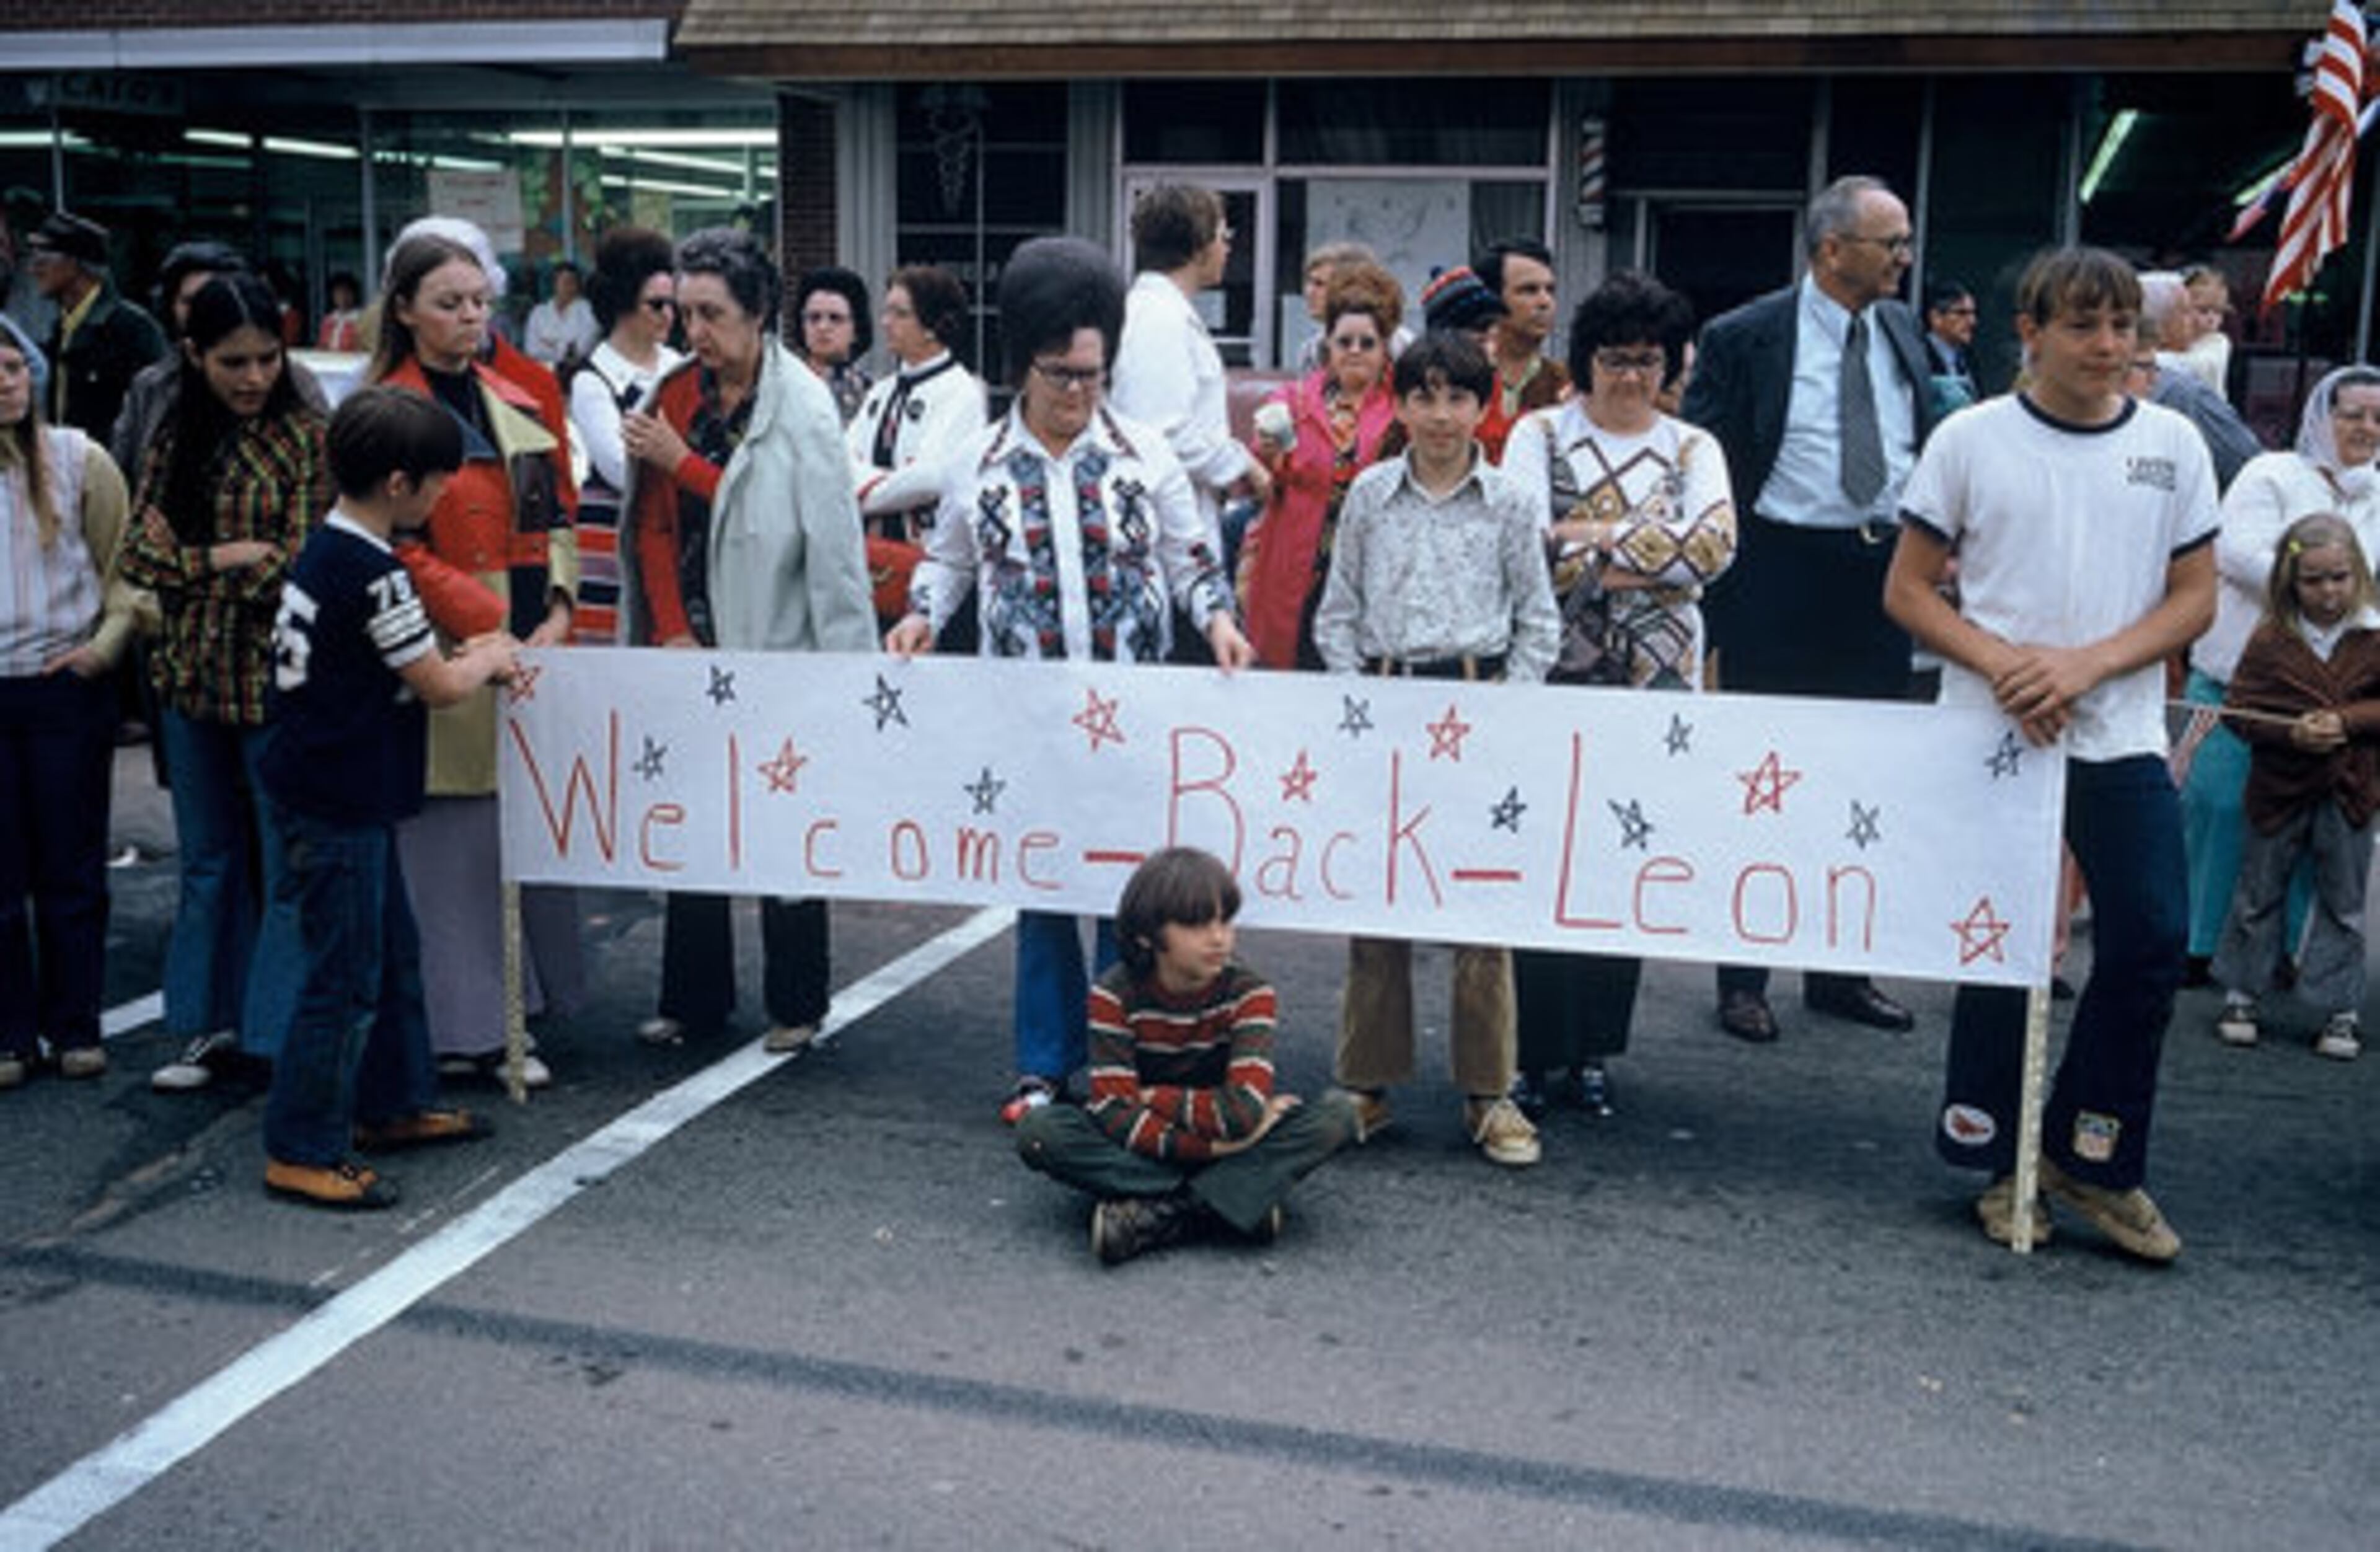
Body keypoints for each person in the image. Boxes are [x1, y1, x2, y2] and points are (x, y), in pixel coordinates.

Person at [1885, 246, 2216, 1263]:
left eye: (2125, 327)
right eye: (2084, 326)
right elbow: (1907, 590)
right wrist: (2008, 667)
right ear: (2029, 332)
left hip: (2114, 732)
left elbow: (2193, 598)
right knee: (2005, 946)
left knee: (2151, 938)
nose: (2110, 346)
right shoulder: (1970, 439)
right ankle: (1997, 1160)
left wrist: (2085, 666)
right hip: (1995, 734)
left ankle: (2091, 1153)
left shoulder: (2174, 441)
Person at [886, 235, 1253, 1124]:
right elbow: (950, 562)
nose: (1079, 393)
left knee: (1128, 900)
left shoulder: (1146, 455)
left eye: (1094, 373)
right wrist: (921, 613)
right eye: (1062, 375)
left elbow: (1189, 556)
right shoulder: (978, 462)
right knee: (1045, 892)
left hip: (1132, 711)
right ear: (1024, 367)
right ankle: (1042, 1070)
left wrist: (1217, 618)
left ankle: (1117, 1065)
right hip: (1029, 720)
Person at [1685, 174, 1937, 1044]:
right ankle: (1742, 976)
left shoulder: (1905, 330)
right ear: (1834, 251)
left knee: (1860, 783)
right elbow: (1710, 466)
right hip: (1779, 572)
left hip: (1880, 575)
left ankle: (1840, 973)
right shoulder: (1744, 336)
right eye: (1891, 242)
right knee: (1766, 782)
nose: (1906, 257)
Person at [258, 387, 519, 1209]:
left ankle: (393, 1102)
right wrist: (489, 657)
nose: (445, 497)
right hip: (341, 797)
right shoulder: (378, 573)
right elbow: (440, 686)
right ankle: (302, 1145)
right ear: (401, 484)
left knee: (390, 953)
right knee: (344, 977)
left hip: (325, 784)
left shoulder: (325, 551)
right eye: (440, 483)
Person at [1311, 329, 1560, 1168]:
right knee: (1378, 900)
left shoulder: (1514, 505)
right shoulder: (1371, 496)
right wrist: (1359, 697)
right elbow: (1336, 612)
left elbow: (1539, 623)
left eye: (1459, 397)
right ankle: (1365, 1084)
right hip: (1385, 708)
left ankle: (1490, 1093)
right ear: (1403, 402)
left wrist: (1505, 709)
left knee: (1480, 907)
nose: (1441, 414)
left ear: (1484, 406)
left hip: (1479, 709)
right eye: (1425, 396)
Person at [624, 226, 875, 1055]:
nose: (695, 332)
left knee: (782, 816)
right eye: (684, 312)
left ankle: (798, 1002)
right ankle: (693, 1001)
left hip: (779, 642)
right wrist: (668, 630)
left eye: (712, 314)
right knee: (695, 818)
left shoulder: (802, 404)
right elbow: (654, 531)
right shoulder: (675, 395)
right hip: (693, 635)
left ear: (759, 313)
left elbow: (825, 550)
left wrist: (849, 677)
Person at [1501, 271, 1735, 1121]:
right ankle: (1532, 1050)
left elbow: (1717, 549)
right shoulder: (1538, 433)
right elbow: (1524, 542)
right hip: (1552, 675)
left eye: (1647, 360)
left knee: (1621, 857)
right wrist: (1645, 557)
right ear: (1584, 359)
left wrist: (1588, 539)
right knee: (1543, 857)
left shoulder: (1692, 447)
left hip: (1656, 683)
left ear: (1670, 364)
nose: (1630, 376)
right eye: (1612, 358)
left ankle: (1596, 1048)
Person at [369, 230, 579, 1090]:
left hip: (523, 643)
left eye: (479, 303)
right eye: (449, 303)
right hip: (437, 643)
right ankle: (465, 1026)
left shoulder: (515, 397)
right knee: (450, 843)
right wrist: (485, 622)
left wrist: (559, 612)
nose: (468, 318)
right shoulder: (382, 411)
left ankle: (523, 1008)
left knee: (519, 828)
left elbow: (555, 515)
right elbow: (391, 543)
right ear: (406, 311)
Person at [117, 275, 330, 1093]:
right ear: (194, 356)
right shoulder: (174, 435)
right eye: (232, 361)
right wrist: (230, 558)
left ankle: (273, 1035)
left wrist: (200, 567)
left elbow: (304, 567)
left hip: (277, 681)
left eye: (266, 359)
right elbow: (136, 557)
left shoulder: (311, 438)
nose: (252, 377)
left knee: (283, 864)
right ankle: (206, 1027)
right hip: (189, 679)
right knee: (208, 862)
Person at [1013, 847, 1358, 1264]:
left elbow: (1244, 1111)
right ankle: (1230, 1201)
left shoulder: (1250, 992)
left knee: (1337, 1114)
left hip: (1206, 1134)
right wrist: (1219, 1153)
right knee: (1041, 1130)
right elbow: (1113, 1113)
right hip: (1189, 1147)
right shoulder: (1113, 994)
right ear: (1147, 936)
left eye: (1225, 921)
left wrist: (1150, 1097)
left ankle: (1156, 1213)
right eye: (1197, 924)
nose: (1219, 938)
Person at [2178, 366, 2380, 982]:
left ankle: (2282, 954)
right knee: (2217, 807)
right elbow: (2237, 554)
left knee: (2315, 827)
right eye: (2353, 415)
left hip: (2340, 700)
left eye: (2378, 418)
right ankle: (2192, 942)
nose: (2367, 428)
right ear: (2322, 417)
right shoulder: (2270, 473)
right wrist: (2337, 589)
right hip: (2241, 688)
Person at [0, 315, 137, 1090]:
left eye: (15, 366)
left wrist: (105, 647)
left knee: (71, 865)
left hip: (63, 683)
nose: (5, 382)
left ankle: (76, 1024)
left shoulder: (80, 458)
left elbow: (125, 566)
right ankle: (11, 1033)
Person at [2210, 513, 2380, 1061]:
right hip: (2279, 786)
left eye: (2340, 577)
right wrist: (2291, 729)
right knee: (2259, 889)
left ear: (2357, 574)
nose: (2329, 592)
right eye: (2314, 580)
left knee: (2344, 900)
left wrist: (2346, 722)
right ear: (2290, 581)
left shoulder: (2373, 635)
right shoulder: (2270, 640)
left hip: (2352, 786)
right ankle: (2242, 994)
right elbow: (2238, 710)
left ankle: (2340, 1008)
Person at [1238, 260, 1403, 670]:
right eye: (1344, 341)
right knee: (1291, 671)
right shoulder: (1291, 401)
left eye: (1368, 343)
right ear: (1327, 345)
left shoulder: (1404, 409)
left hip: (1372, 565)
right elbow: (1259, 463)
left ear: (1385, 349)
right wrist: (1269, 451)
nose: (1355, 352)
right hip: (1294, 561)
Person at [1111, 184, 1270, 550]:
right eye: (1222, 235)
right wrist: (1244, 466)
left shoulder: (1163, 312)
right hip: (1163, 530)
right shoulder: (1157, 319)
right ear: (1199, 247)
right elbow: (1163, 432)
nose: (1228, 247)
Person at [847, 264, 986, 628]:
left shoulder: (962, 393)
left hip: (928, 570)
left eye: (900, 313)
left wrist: (860, 492)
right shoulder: (881, 391)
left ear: (933, 325)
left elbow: (934, 478)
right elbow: (838, 463)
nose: (885, 322)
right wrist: (889, 483)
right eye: (886, 311)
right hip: (867, 565)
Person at [565, 226, 681, 648]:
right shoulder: (592, 380)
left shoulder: (679, 366)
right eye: (656, 305)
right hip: (611, 534)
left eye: (673, 303)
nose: (669, 315)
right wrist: (681, 460)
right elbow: (618, 467)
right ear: (622, 304)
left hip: (673, 534)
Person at [25, 212, 167, 439]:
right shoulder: (58, 330)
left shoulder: (132, 328)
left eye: (43, 258)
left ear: (75, 263)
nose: (33, 269)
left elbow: (160, 409)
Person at [2135, 271, 2259, 492]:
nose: (2196, 321)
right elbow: (2250, 467)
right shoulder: (2184, 390)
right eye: (2185, 312)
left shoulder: (2214, 347)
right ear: (2157, 327)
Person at [1473, 237, 1569, 463]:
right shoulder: (1460, 378)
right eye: (1529, 290)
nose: (1545, 302)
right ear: (1493, 299)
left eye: (1550, 290)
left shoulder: (1566, 384)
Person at [792, 266, 874, 425]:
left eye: (835, 318)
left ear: (856, 329)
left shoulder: (874, 395)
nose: (823, 327)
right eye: (814, 318)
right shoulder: (782, 387)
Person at [524, 260, 600, 372]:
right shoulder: (538, 313)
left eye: (572, 282)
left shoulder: (588, 311)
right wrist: (565, 346)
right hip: (544, 373)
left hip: (577, 373)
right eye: (564, 282)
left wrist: (550, 344)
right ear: (555, 284)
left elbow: (582, 349)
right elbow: (531, 349)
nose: (568, 286)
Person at [2175, 265, 2234, 401]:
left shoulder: (2218, 342)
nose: (2212, 319)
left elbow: (2196, 366)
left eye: (2218, 312)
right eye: (2203, 311)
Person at [1922, 278, 1980, 414]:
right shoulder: (1919, 355)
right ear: (1936, 318)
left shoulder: (1970, 357)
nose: (1972, 321)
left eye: (1973, 313)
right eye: (1962, 313)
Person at [317, 271, 366, 353]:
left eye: (347, 292)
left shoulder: (362, 320)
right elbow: (321, 346)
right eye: (338, 293)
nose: (343, 297)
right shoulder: (328, 320)